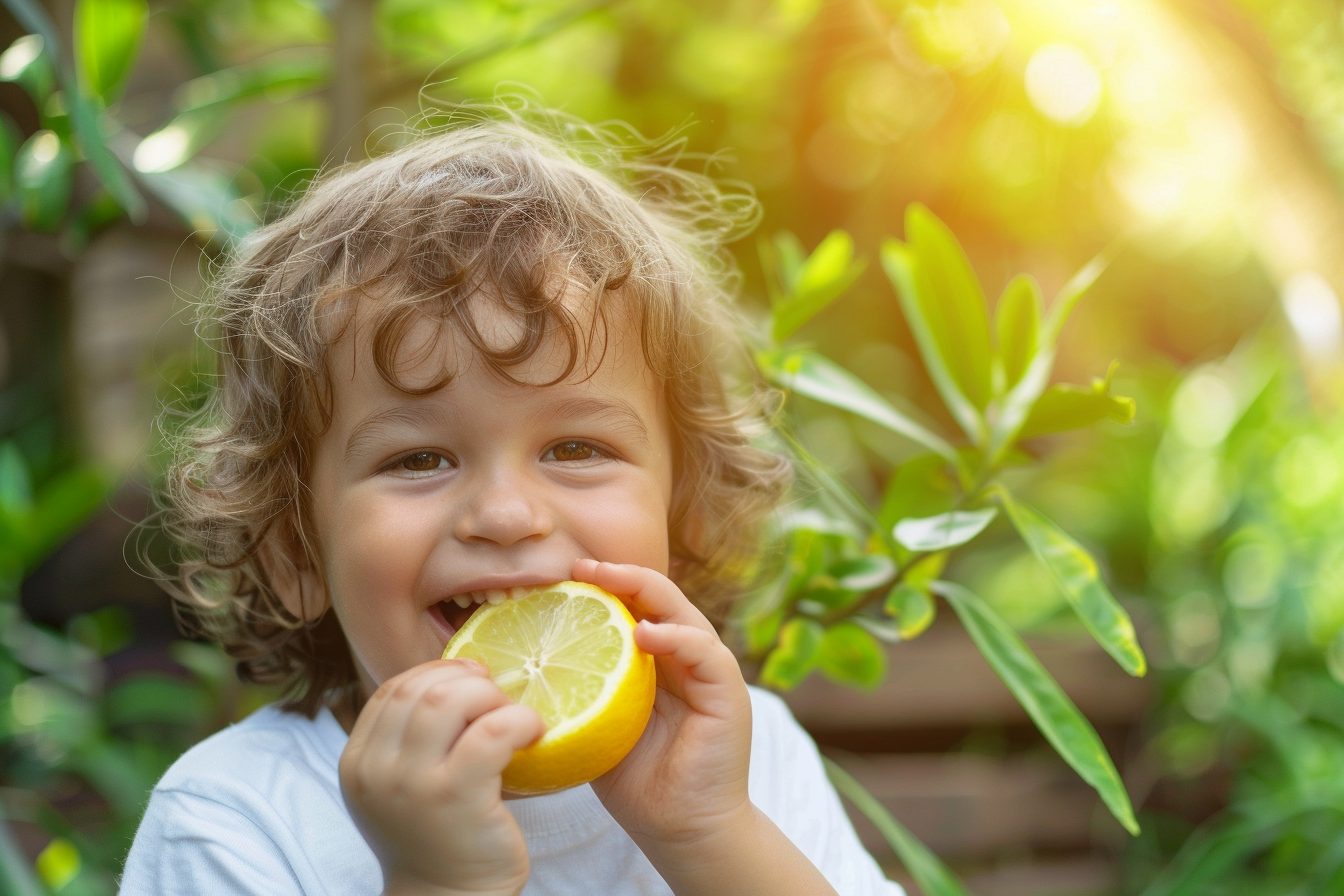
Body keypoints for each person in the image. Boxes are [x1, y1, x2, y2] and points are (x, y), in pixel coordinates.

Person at [119, 102, 903, 896]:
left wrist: (704, 833)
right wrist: (432, 882)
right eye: (419, 458)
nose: (506, 513)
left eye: (576, 449)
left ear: (686, 516)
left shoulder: (747, 763)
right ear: (296, 550)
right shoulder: (236, 820)